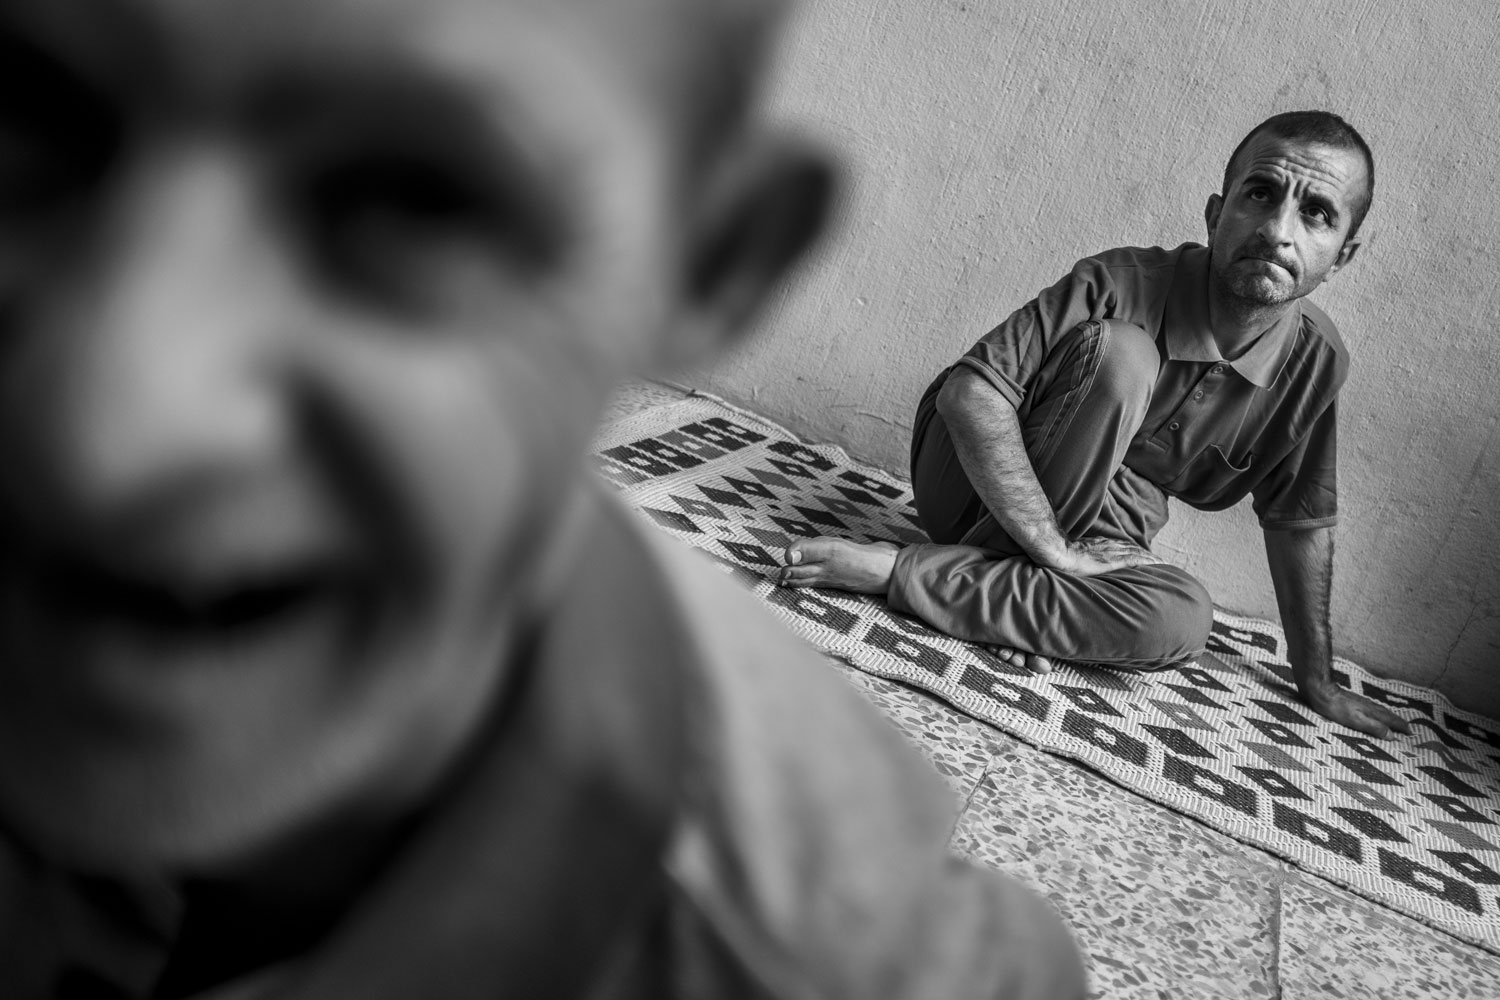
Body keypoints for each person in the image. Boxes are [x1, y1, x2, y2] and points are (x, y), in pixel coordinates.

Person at [0, 1, 1085, 997]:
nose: (96, 431)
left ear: (708, 266)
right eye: (28, 112)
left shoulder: (809, 951)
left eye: (414, 199)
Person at [782, 111, 1414, 742]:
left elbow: (1300, 522)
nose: (1279, 231)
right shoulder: (1121, 280)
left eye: (1317, 215)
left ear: (1344, 254)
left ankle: (927, 580)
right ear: (1217, 212)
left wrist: (1319, 681)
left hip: (1098, 529)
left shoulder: (1315, 362)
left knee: (1186, 619)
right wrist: (1049, 548)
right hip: (977, 483)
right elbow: (971, 395)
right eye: (1261, 194)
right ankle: (980, 588)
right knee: (1123, 357)